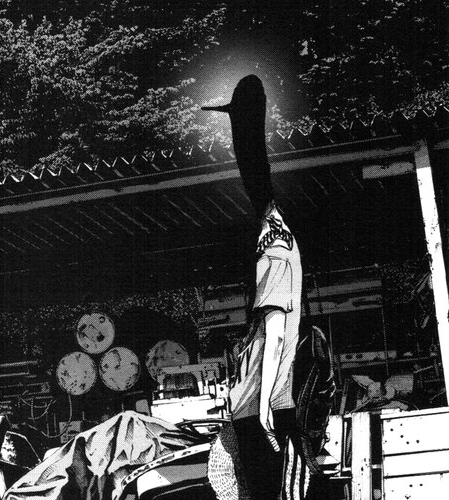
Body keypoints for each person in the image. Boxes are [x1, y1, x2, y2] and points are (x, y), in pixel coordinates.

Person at [203, 75, 314, 500]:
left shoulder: (274, 247)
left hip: (264, 409)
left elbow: (277, 331)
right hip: (258, 407)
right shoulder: (277, 242)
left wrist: (265, 404)